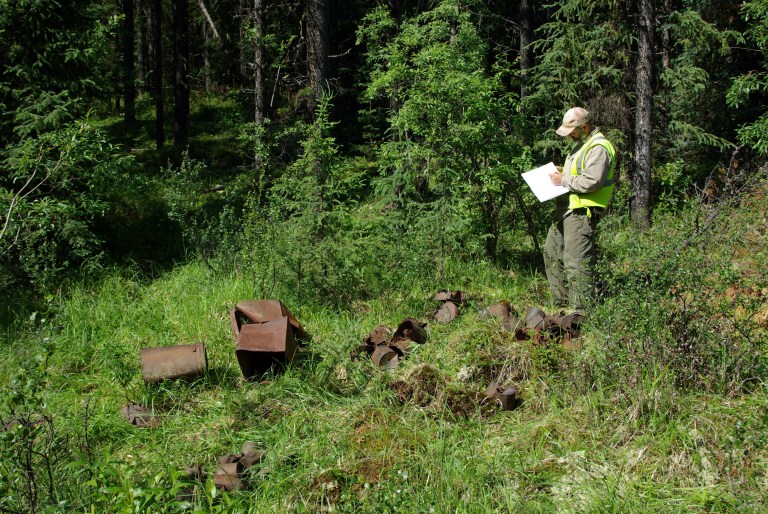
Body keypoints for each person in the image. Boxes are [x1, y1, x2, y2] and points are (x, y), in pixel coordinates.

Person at [544, 106, 616, 309]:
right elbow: (579, 172)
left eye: (572, 131)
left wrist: (563, 179)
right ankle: (561, 306)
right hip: (566, 211)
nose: (570, 135)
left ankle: (580, 314)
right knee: (551, 253)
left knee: (576, 264)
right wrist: (562, 171)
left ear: (584, 126)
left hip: (581, 212)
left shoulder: (598, 147)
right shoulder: (582, 144)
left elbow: (592, 181)